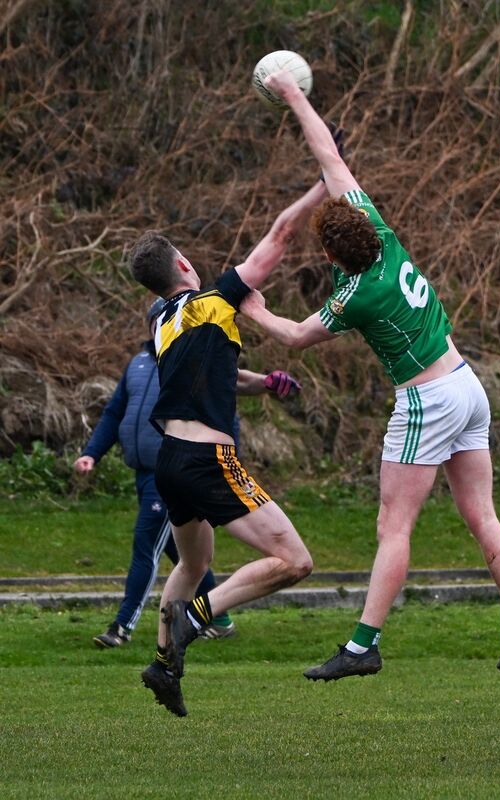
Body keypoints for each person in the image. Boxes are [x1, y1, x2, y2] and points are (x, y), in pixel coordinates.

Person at [236, 68, 500, 680]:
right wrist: (297, 96)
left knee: (393, 525)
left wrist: (258, 310)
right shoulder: (378, 228)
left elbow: (297, 336)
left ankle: (362, 646)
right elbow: (329, 156)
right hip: (467, 383)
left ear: (328, 256)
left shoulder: (357, 297)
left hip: (427, 397)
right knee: (481, 516)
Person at [130, 179, 327, 717]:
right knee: (294, 560)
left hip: (169, 461)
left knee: (194, 562)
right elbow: (281, 233)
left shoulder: (164, 326)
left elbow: (215, 374)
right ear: (185, 265)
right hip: (207, 460)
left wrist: (264, 382)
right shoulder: (215, 300)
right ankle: (199, 617)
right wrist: (322, 184)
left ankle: (164, 663)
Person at [75, 300, 302, 647]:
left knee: (147, 544)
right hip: (149, 473)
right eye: (155, 323)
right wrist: (92, 453)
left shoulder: (192, 355)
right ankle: (213, 621)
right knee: (187, 559)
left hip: (179, 469)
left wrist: (266, 382)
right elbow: (114, 412)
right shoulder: (137, 364)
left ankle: (123, 627)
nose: (160, 327)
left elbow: (234, 379)